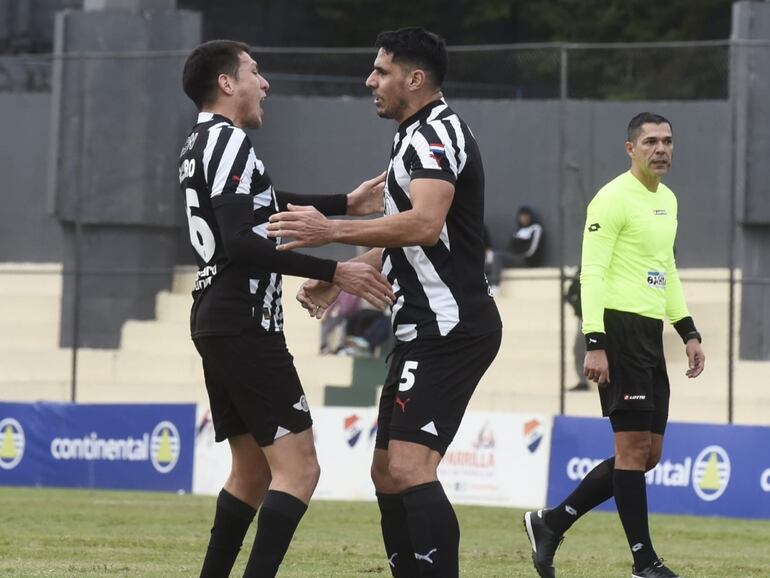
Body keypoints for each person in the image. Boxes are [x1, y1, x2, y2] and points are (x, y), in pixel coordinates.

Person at [266, 27, 502, 578]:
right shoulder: (410, 135)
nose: (370, 80)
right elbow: (406, 232)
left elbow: (425, 223)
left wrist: (331, 230)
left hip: (451, 327)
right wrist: (341, 274)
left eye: (381, 71)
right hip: (419, 328)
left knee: (410, 465)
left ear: (414, 79)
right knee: (384, 472)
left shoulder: (436, 135)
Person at [179, 40, 394, 578]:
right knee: (299, 471)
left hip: (218, 316)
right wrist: (334, 271)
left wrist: (345, 204)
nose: (264, 83)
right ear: (227, 83)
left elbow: (264, 204)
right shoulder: (228, 141)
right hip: (242, 321)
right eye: (254, 71)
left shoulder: (202, 142)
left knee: (251, 472)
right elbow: (243, 242)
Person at [523, 113, 706, 578]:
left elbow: (666, 269)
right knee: (630, 452)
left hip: (649, 334)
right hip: (618, 334)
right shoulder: (610, 198)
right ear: (631, 149)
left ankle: (551, 522)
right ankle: (644, 561)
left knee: (650, 455)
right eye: (650, 142)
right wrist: (595, 341)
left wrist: (687, 331)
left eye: (667, 141)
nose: (660, 149)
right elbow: (592, 273)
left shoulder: (668, 200)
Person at [564, 268, 589, 391]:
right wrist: (576, 306)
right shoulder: (581, 268)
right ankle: (583, 381)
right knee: (578, 348)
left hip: (601, 313)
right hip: (584, 316)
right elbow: (569, 292)